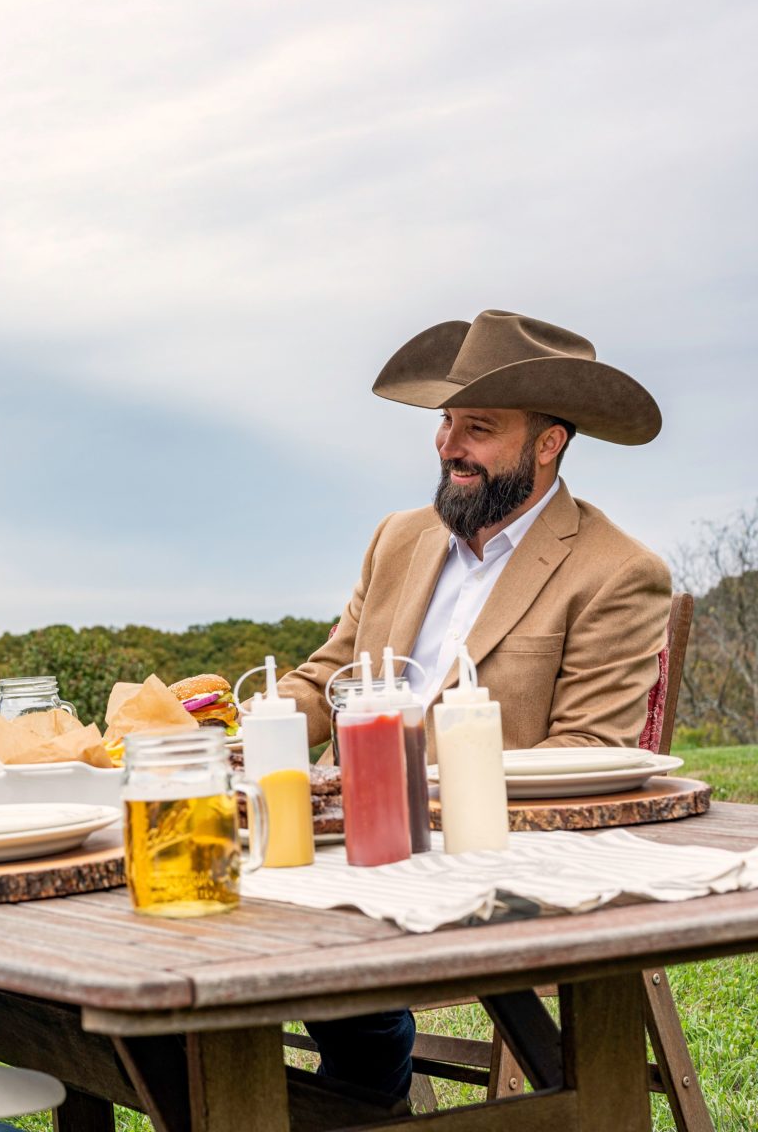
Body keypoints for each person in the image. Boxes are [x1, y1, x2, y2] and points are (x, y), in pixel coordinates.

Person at [268, 309, 672, 1102]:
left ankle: (357, 1082)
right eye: (447, 420)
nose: (449, 444)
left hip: (486, 853)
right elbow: (325, 678)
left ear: (547, 442)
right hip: (338, 834)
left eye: (478, 427)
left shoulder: (617, 571)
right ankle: (320, 1081)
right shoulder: (399, 537)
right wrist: (230, 730)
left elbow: (589, 751)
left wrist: (411, 769)